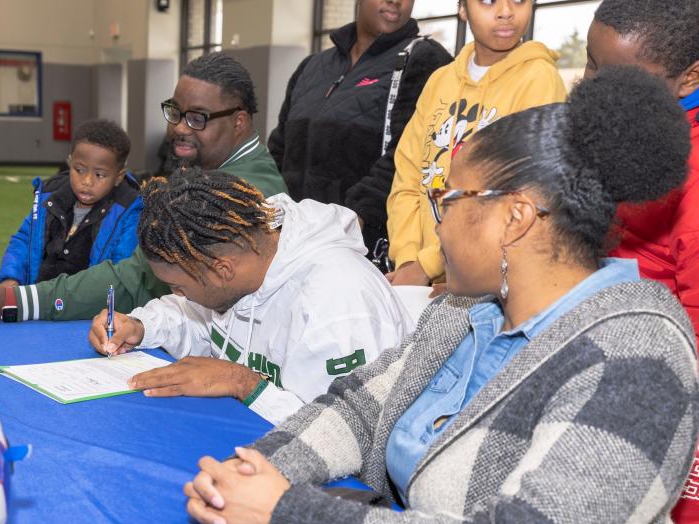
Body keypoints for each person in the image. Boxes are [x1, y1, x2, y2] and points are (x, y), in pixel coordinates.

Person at [183, 67, 696, 524]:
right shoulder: (462, 311)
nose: (437, 224)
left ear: (514, 217)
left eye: (448, 200)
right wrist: (253, 471)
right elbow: (358, 409)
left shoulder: (635, 356)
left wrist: (282, 513)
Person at [0, 52, 287, 323]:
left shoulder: (241, 191)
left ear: (240, 122)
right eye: (175, 112)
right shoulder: (219, 172)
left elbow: (136, 278)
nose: (179, 128)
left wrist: (9, 300)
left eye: (197, 118)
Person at [87, 167, 411, 425]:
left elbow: (348, 432)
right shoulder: (244, 257)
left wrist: (243, 382)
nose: (178, 295)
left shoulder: (338, 305)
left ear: (222, 270)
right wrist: (141, 326)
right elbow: (198, 318)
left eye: (179, 286)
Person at [586, 0, 699, 524]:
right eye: (590, 66)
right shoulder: (621, 128)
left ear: (689, 77)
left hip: (650, 391)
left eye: (620, 78)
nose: (597, 88)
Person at [385, 0, 566, 286]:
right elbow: (407, 176)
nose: (506, 11)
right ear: (462, 8)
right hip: (419, 276)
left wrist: (429, 264)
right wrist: (407, 257)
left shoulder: (539, 79)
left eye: (519, 0)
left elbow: (517, 194)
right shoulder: (440, 81)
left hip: (492, 280)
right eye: (488, 1)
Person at [268, 0, 451, 263]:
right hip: (291, 239)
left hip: (359, 244)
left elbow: (408, 156)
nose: (395, 1)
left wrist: (354, 218)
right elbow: (279, 148)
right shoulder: (312, 67)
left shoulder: (424, 59)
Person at [0, 119, 141, 286]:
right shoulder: (49, 195)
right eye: (79, 170)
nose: (87, 181)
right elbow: (24, 241)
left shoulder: (128, 211)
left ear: (119, 176)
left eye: (100, 175)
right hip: (37, 300)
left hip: (86, 307)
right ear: (70, 162)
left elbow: (121, 272)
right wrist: (10, 277)